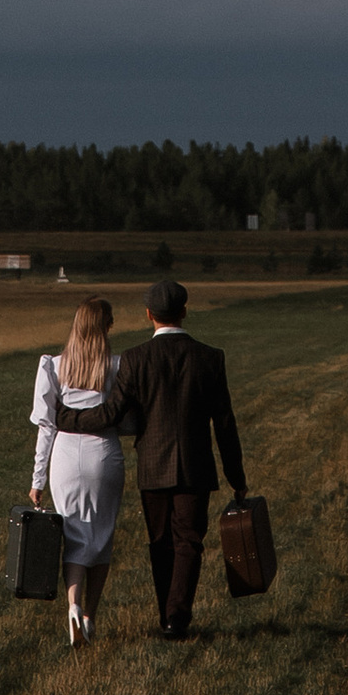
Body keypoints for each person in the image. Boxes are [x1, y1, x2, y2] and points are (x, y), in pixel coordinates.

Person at [104, 273, 247, 641]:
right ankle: (176, 617)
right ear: (185, 311)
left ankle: (166, 614)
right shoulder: (211, 358)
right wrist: (237, 475)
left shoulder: (134, 359)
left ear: (148, 314)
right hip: (196, 464)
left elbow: (115, 412)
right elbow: (225, 423)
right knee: (189, 541)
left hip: (152, 464)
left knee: (160, 542)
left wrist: (69, 419)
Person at [29, 295, 123, 646]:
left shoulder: (53, 366)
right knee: (102, 536)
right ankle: (90, 617)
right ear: (106, 327)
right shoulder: (115, 366)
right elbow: (125, 420)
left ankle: (73, 604)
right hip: (104, 452)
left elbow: (46, 426)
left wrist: (37, 478)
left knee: (74, 534)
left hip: (65, 455)